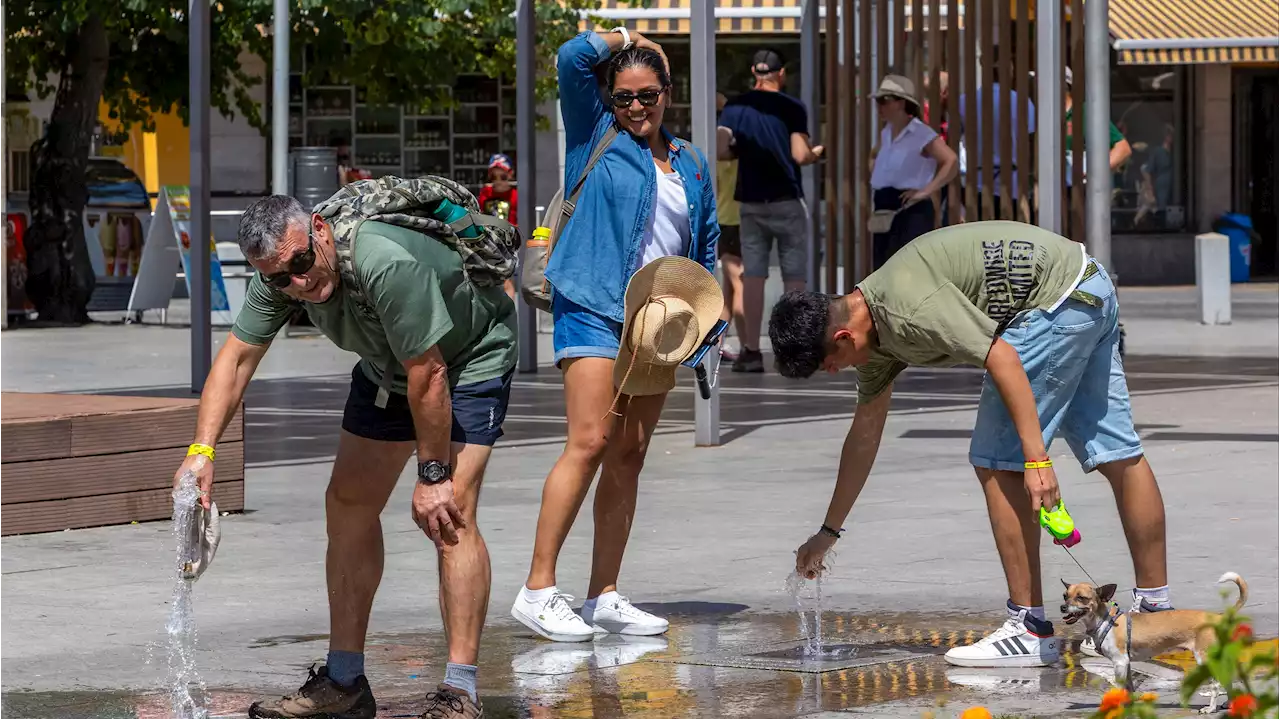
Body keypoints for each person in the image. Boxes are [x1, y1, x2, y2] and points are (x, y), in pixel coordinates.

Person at [175, 193, 516, 719]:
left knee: (451, 512)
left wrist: (432, 475)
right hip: (389, 366)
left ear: (320, 230)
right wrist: (201, 451)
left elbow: (430, 374)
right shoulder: (281, 276)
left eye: (301, 263)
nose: (298, 283)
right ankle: (344, 681)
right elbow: (238, 357)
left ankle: (459, 690)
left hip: (466, 357)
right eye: (280, 278)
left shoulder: (382, 261)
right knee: (348, 504)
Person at [771, 221, 1172, 668]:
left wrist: (1037, 459)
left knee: (998, 461)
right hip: (1088, 284)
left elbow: (1002, 356)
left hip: (1054, 302)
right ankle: (1155, 615)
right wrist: (828, 533)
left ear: (843, 336)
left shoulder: (907, 307)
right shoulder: (872, 334)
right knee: (1119, 452)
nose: (834, 372)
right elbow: (864, 437)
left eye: (830, 364)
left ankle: (1029, 628)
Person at [510, 28, 719, 643]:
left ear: (667, 94)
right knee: (591, 440)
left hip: (658, 326)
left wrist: (707, 326)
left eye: (647, 95)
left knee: (629, 453)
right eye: (624, 95)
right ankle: (539, 588)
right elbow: (572, 58)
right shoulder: (593, 134)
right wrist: (630, 36)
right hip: (594, 306)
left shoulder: (691, 162)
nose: (636, 106)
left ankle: (604, 593)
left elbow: (704, 245)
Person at [717, 48, 823, 373]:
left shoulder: (735, 108)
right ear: (781, 74)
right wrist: (818, 153)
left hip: (750, 202)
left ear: (753, 71)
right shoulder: (792, 107)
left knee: (753, 277)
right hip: (787, 200)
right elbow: (799, 154)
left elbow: (721, 150)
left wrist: (742, 151)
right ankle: (794, 351)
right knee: (794, 279)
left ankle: (751, 351)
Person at [867, 75, 958, 268]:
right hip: (884, 204)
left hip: (908, 207)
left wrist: (926, 191)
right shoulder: (887, 132)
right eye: (877, 101)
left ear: (901, 103)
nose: (879, 106)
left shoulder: (920, 133)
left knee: (907, 270)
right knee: (882, 269)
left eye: (884, 100)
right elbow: (874, 154)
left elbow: (950, 161)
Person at [715, 92, 748, 361]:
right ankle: (749, 346)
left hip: (724, 220)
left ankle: (718, 343)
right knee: (740, 284)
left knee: (728, 288)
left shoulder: (716, 149)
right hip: (737, 221)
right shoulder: (744, 152)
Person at [476, 153, 519, 299]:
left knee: (506, 280)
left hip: (507, 242)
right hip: (488, 240)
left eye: (503, 177)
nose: (498, 181)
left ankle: (509, 313)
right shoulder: (486, 193)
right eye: (494, 177)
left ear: (510, 175)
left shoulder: (515, 195)